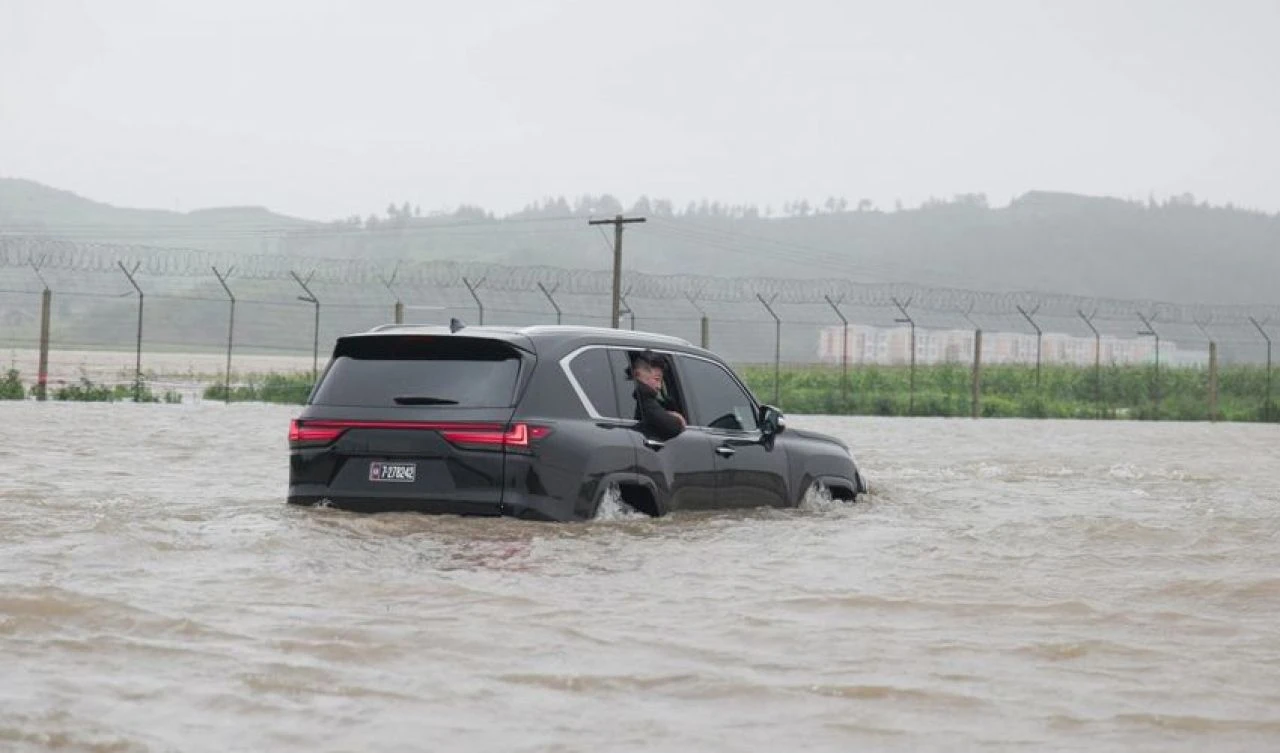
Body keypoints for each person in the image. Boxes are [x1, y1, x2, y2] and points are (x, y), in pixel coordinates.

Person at [631, 350, 685, 440]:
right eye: (657, 379)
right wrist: (678, 420)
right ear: (638, 374)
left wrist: (666, 413)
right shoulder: (643, 395)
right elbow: (670, 427)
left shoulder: (634, 397)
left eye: (661, 381)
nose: (659, 386)